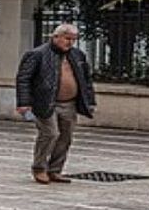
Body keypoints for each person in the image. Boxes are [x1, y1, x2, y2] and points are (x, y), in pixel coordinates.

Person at [15, 23, 96, 184]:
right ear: (56, 37)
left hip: (69, 103)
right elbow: (23, 79)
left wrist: (90, 100)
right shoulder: (37, 54)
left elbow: (85, 80)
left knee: (66, 136)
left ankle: (55, 169)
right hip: (45, 102)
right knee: (50, 134)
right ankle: (39, 168)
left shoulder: (77, 55)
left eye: (73, 39)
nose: (70, 42)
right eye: (67, 38)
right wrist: (24, 103)